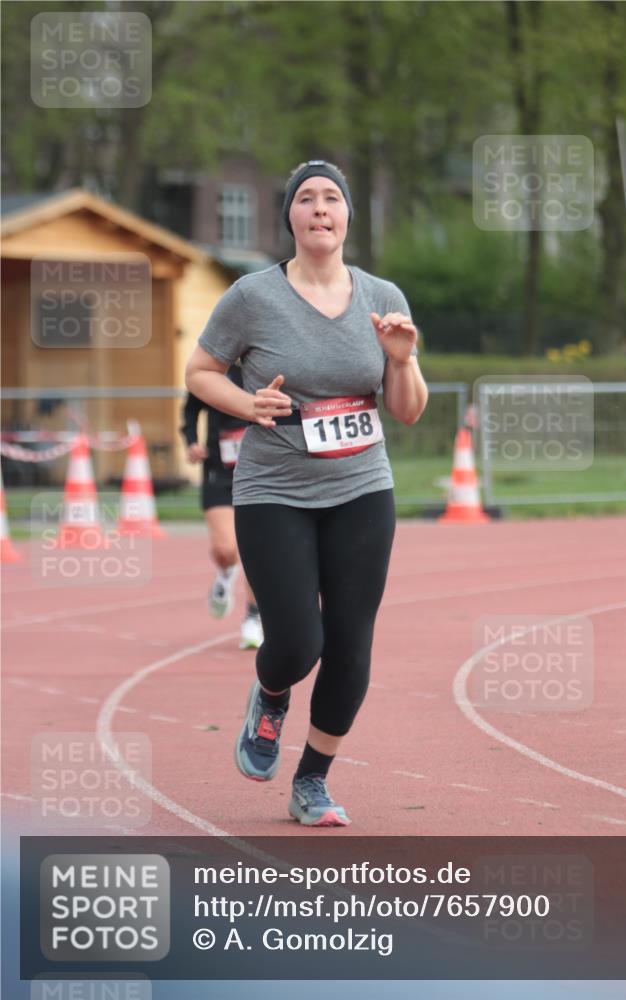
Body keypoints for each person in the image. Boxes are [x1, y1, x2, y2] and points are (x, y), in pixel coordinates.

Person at [185, 159, 428, 827]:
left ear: (346, 215)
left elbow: (406, 409)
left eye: (331, 199)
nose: (320, 208)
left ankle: (312, 782)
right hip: (274, 491)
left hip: (360, 488)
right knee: (297, 641)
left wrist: (402, 361)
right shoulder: (252, 297)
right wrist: (246, 401)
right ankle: (270, 695)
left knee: (351, 644)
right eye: (305, 199)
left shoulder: (383, 297)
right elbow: (200, 371)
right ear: (289, 216)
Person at [180, 366, 263, 650]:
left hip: (261, 472)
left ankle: (253, 617)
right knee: (226, 549)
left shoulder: (267, 361)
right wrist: (191, 442)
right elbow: (191, 410)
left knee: (255, 550)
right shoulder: (214, 368)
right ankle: (226, 571)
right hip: (220, 472)